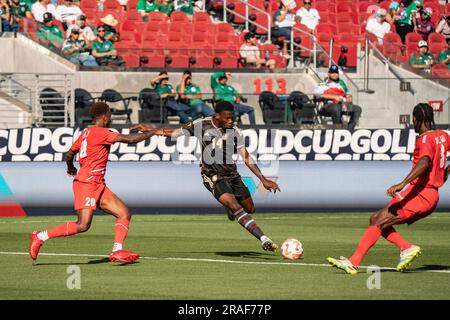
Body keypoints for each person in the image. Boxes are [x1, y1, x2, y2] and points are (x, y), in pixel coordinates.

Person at [131, 101, 280, 252]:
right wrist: (151, 130)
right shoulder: (201, 124)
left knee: (250, 208)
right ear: (217, 116)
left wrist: (262, 178)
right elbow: (174, 133)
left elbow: (246, 157)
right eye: (227, 118)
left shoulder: (235, 132)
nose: (231, 121)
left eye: (232, 117)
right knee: (234, 205)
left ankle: (230, 209)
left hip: (232, 174)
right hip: (212, 174)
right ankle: (264, 239)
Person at [327, 103, 450, 274]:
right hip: (430, 194)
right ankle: (405, 248)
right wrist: (445, 172)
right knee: (376, 219)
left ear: (416, 119)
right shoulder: (443, 135)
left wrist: (402, 183)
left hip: (420, 194)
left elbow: (425, 161)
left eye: (413, 118)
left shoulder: (424, 139)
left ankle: (354, 262)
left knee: (378, 221)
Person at [29, 102, 156, 263]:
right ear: (104, 116)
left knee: (124, 213)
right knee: (83, 225)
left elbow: (69, 154)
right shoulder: (101, 132)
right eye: (110, 113)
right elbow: (130, 140)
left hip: (97, 183)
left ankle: (117, 251)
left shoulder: (86, 132)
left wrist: (70, 167)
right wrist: (154, 132)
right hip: (86, 184)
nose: (110, 116)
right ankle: (40, 236)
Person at [313, 65, 362, 130]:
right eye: (332, 73)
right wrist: (334, 97)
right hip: (326, 105)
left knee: (357, 109)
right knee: (336, 108)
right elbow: (318, 94)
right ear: (328, 74)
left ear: (338, 74)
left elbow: (347, 94)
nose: (334, 74)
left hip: (342, 105)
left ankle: (349, 130)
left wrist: (349, 97)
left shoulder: (340, 85)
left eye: (336, 73)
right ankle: (338, 130)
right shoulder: (323, 84)